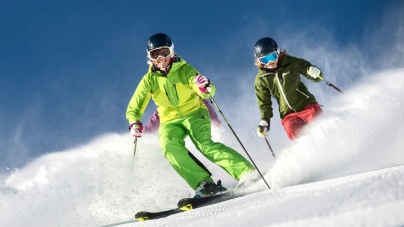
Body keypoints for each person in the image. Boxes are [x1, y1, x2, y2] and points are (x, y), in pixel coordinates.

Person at [126, 33, 254, 197]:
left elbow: (203, 87)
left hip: (194, 113)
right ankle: (204, 183)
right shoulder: (148, 80)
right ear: (149, 57)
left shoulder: (184, 69)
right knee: (168, 146)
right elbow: (134, 106)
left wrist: (205, 87)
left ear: (171, 52)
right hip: (169, 121)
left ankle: (246, 172)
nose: (160, 58)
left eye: (164, 52)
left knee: (204, 145)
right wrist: (134, 122)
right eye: (155, 54)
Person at [253, 37, 324, 140]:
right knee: (290, 127)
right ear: (259, 60)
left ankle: (328, 139)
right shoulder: (261, 80)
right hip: (288, 115)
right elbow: (264, 103)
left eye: (272, 56)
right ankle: (306, 150)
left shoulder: (290, 63)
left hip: (306, 106)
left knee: (316, 120)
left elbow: (307, 68)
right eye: (264, 59)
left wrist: (315, 73)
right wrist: (265, 121)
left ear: (277, 52)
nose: (269, 62)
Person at [144, 98, 221, 133]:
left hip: (195, 120)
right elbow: (159, 115)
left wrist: (214, 120)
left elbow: (203, 103)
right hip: (178, 127)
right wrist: (145, 132)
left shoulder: (186, 85)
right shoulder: (166, 97)